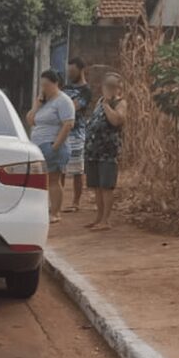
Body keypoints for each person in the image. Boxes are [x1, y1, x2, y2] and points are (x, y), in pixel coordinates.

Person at [27, 69, 75, 224]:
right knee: (40, 180)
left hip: (52, 145)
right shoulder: (44, 102)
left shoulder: (63, 101)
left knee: (54, 179)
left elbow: (68, 124)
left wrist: (55, 145)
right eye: (42, 85)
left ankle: (56, 212)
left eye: (47, 85)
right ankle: (45, 208)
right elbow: (30, 120)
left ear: (56, 83)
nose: (44, 88)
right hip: (39, 146)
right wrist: (36, 105)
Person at [84, 72, 127, 231]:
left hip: (108, 151)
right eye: (107, 87)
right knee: (96, 186)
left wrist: (108, 105)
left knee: (106, 186)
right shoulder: (99, 102)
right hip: (93, 150)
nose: (110, 90)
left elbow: (116, 120)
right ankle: (98, 217)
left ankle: (106, 220)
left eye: (113, 88)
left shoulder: (119, 103)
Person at [61, 57, 92, 213]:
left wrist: (61, 107)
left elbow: (73, 107)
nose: (70, 73)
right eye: (68, 70)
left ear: (80, 70)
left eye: (72, 71)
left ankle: (76, 202)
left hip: (77, 133)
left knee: (77, 170)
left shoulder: (86, 91)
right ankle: (58, 200)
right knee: (60, 168)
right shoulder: (65, 87)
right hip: (62, 132)